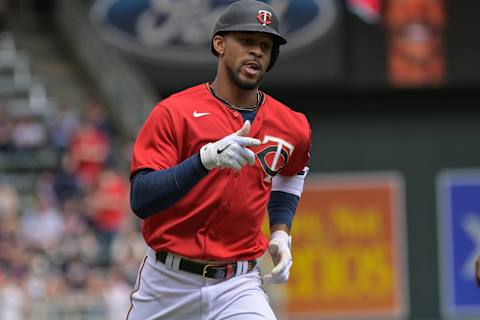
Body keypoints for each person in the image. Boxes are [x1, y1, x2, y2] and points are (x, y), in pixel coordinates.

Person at [127, 1, 311, 319]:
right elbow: (142, 198)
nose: (256, 51)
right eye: (247, 41)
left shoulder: (292, 125)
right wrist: (204, 160)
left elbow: (292, 173)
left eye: (265, 46)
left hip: (237, 285)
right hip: (167, 284)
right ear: (220, 44)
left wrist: (281, 231)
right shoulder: (174, 113)